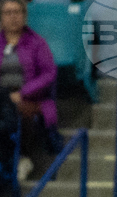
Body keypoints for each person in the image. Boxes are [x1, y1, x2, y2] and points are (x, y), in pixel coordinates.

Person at [0, 0, 57, 180]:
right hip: (1, 98)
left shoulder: (37, 42)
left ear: (24, 16)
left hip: (30, 99)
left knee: (15, 113)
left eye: (17, 12)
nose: (12, 17)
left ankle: (21, 158)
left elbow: (49, 74)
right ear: (1, 17)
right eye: (8, 13)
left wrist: (23, 92)